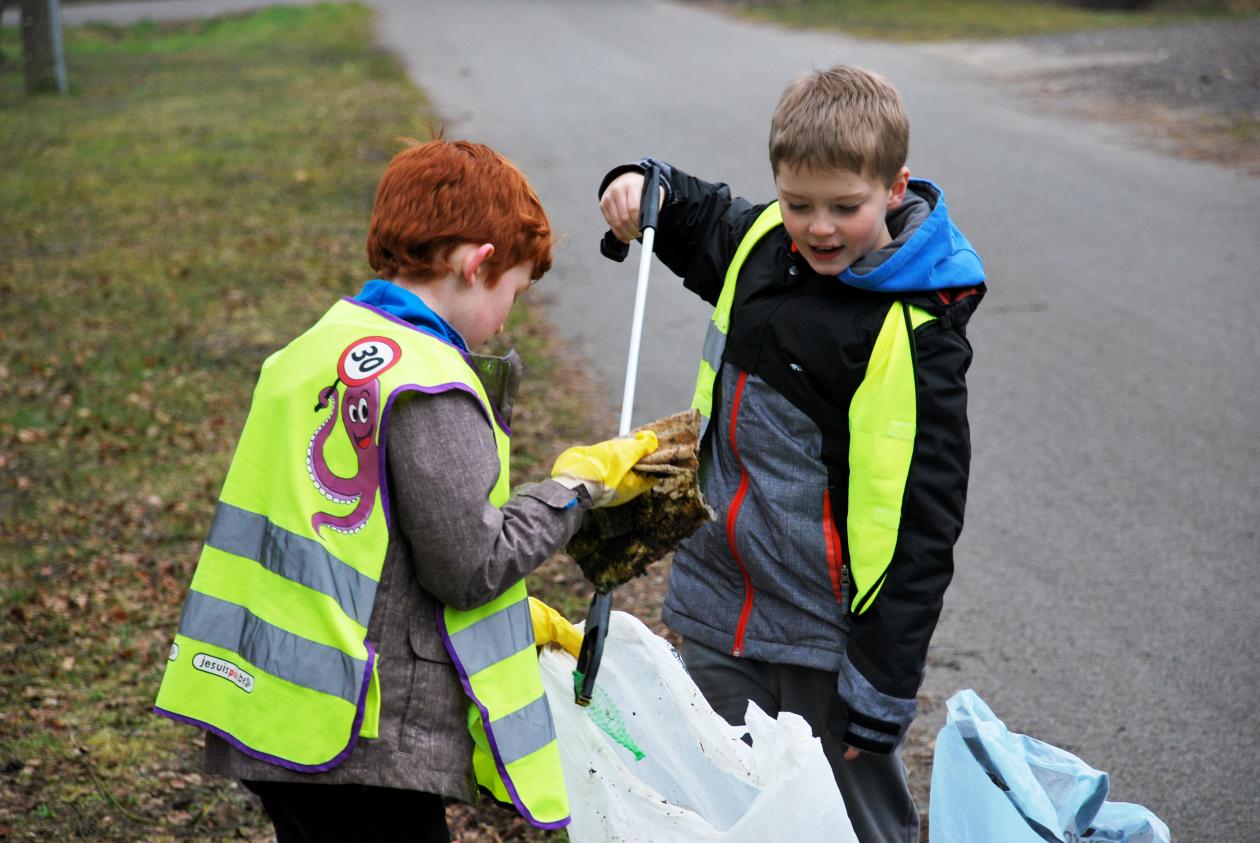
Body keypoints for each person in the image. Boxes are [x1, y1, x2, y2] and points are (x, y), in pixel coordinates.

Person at [154, 138, 658, 842]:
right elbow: (469, 566)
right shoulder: (428, 382)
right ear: (477, 262)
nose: (507, 318)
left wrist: (522, 621)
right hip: (360, 734)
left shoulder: (312, 350)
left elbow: (359, 544)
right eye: (512, 290)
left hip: (263, 704)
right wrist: (577, 487)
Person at [598, 65, 985, 842]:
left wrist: (881, 686)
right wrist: (639, 186)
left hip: (829, 641)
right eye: (798, 203)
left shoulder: (915, 331)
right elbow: (699, 216)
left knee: (851, 820)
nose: (819, 228)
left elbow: (923, 523)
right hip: (720, 610)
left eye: (846, 207)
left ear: (894, 186)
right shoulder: (764, 249)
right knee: (720, 804)